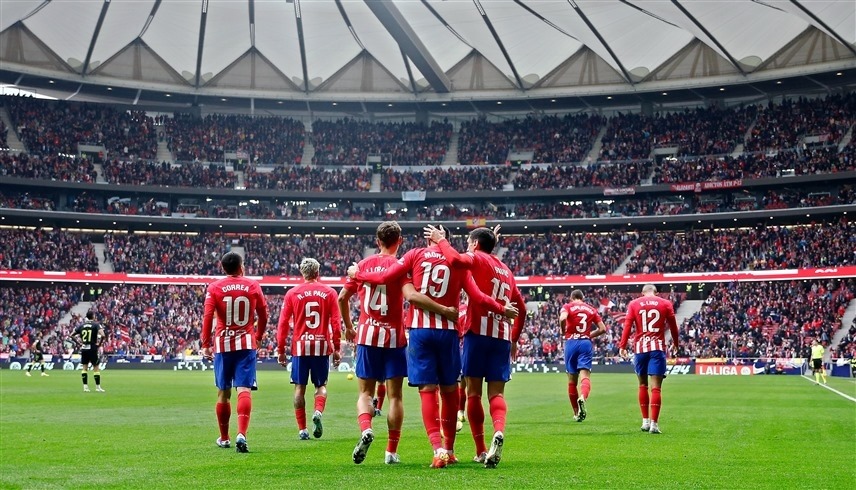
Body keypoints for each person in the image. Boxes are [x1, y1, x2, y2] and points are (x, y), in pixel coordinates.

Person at [349, 225, 518, 468]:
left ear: (429, 238)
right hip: (448, 332)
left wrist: (358, 274)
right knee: (450, 391)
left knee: (427, 390)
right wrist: (502, 308)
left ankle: (437, 450)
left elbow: (386, 278)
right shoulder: (457, 262)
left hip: (420, 331)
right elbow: (478, 296)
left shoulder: (415, 255)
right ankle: (449, 449)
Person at [338, 221, 459, 465]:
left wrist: (349, 327)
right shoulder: (402, 267)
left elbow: (342, 297)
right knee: (395, 397)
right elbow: (410, 295)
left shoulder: (362, 265)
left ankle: (366, 428)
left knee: (365, 393)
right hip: (394, 337)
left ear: (377, 241)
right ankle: (391, 451)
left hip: (367, 335)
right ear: (400, 241)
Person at [424, 225, 526, 468]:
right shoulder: (506, 271)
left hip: (477, 333)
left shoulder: (476, 257)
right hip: (502, 337)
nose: (467, 246)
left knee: (473, 394)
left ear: (476, 244)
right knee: (497, 394)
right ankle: (498, 431)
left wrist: (440, 240)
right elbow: (521, 308)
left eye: (470, 242)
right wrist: (514, 339)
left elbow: (456, 260)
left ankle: (480, 450)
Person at [201, 251, 269, 453]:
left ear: (223, 268)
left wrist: (205, 344)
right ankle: (242, 434)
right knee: (244, 389)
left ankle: (224, 438)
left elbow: (208, 316)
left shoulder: (214, 287)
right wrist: (259, 336)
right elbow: (263, 315)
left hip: (223, 344)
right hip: (246, 344)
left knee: (223, 392)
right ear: (241, 267)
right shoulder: (253, 285)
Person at [278, 258, 343, 441]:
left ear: (302, 272)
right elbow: (336, 323)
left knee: (299, 388)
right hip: (321, 346)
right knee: (321, 386)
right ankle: (318, 411)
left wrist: (281, 349)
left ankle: (302, 430)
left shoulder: (292, 293)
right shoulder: (329, 292)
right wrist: (337, 348)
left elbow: (283, 324)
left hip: (300, 347)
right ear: (317, 272)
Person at [619, 284, 679, 434]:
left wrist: (622, 346)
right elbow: (673, 326)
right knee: (656, 388)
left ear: (642, 293)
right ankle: (654, 425)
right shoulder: (665, 303)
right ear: (656, 293)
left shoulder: (634, 304)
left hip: (640, 349)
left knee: (642, 385)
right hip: (657, 348)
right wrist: (676, 344)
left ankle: (645, 421)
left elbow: (627, 326)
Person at [559, 289, 607, 422]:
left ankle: (576, 413)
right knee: (585, 376)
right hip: (585, 342)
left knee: (571, 380)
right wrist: (589, 335)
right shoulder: (591, 309)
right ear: (583, 298)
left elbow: (562, 318)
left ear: (571, 298)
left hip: (571, 342)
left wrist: (563, 330)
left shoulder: (568, 306)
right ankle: (583, 397)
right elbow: (603, 329)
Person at [73, 311, 105, 393]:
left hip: (84, 348)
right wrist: (99, 344)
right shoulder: (96, 324)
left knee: (84, 368)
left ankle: (85, 387)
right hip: (92, 347)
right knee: (96, 367)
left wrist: (79, 343)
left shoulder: (82, 325)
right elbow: (103, 335)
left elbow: (71, 335)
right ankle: (98, 387)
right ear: (93, 316)